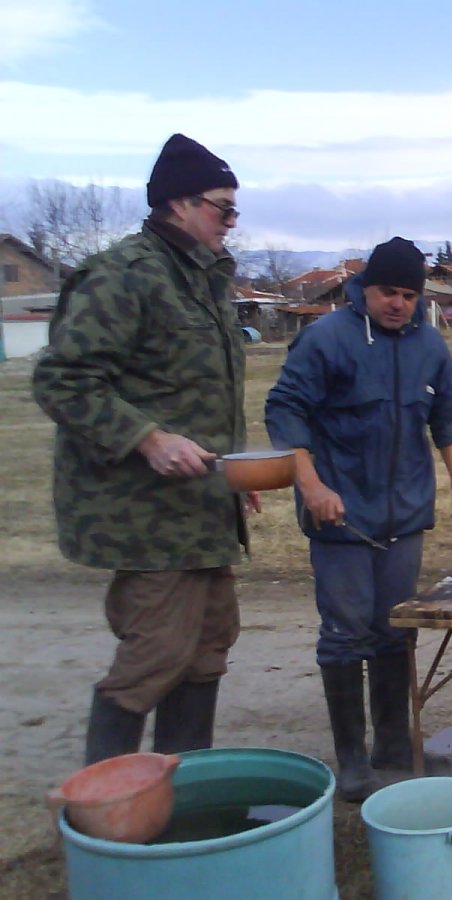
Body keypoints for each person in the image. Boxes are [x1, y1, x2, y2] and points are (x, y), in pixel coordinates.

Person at [32, 134, 256, 765]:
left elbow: (197, 392)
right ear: (178, 204)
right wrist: (148, 439)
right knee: (156, 654)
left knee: (208, 648)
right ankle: (108, 806)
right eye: (223, 207)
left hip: (204, 507)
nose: (231, 221)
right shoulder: (123, 275)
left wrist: (234, 473)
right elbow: (62, 380)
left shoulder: (205, 279)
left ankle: (182, 793)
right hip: (145, 516)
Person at [265, 237, 452, 801]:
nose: (398, 304)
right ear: (365, 288)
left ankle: (393, 747)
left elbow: (448, 414)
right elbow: (285, 411)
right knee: (346, 634)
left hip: (403, 517)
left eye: (409, 295)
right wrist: (311, 486)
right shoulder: (326, 339)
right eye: (388, 292)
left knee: (394, 629)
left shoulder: (428, 344)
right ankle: (353, 763)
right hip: (341, 517)